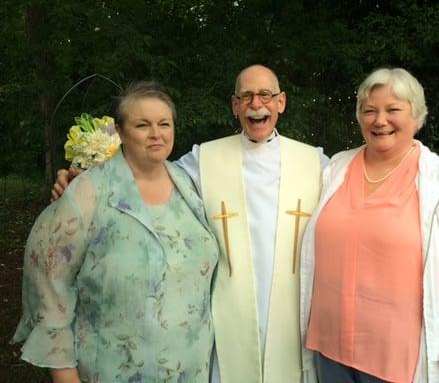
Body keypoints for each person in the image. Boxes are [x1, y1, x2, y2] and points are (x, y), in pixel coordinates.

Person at [52, 65, 328, 383]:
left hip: (292, 312)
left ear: (281, 102)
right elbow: (144, 175)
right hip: (228, 316)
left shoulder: (316, 163)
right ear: (235, 105)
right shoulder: (202, 161)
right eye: (247, 95)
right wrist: (83, 179)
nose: (257, 103)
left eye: (266, 94)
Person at [299, 67, 439, 383]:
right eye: (370, 111)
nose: (380, 120)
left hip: (399, 358)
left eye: (393, 110)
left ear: (417, 117)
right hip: (330, 347)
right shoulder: (337, 168)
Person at [13, 81, 219, 383]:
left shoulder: (190, 184)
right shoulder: (88, 192)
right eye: (142, 125)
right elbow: (49, 283)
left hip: (190, 369)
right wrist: (64, 375)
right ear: (120, 132)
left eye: (164, 124)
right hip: (110, 370)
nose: (156, 134)